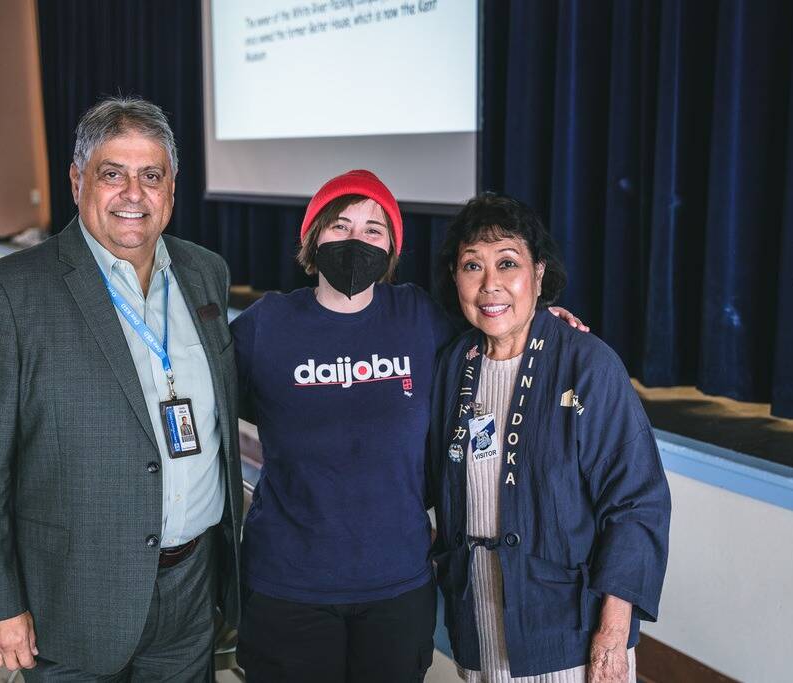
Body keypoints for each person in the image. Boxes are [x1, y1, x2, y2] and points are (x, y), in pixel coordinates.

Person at [230, 171, 586, 682]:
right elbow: (221, 400)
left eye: (374, 229)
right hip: (288, 586)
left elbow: (492, 324)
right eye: (340, 225)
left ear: (392, 248)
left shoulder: (419, 316)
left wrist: (542, 317)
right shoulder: (266, 324)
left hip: (396, 585)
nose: (356, 240)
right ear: (312, 236)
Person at [0, 96, 242, 682]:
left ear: (171, 189)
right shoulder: (11, 292)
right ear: (78, 181)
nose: (134, 193)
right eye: (112, 174)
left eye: (151, 176)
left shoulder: (206, 272)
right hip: (71, 597)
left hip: (192, 587)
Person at [428, 193, 671, 682]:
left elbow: (636, 505)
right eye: (472, 265)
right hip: (479, 629)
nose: (490, 284)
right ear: (455, 277)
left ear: (538, 274)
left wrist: (612, 636)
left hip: (570, 637)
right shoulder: (453, 363)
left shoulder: (587, 364)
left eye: (508, 263)